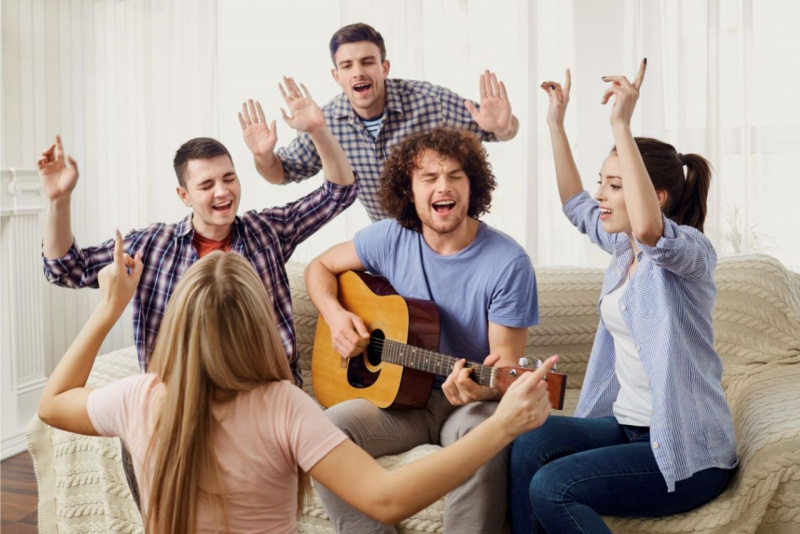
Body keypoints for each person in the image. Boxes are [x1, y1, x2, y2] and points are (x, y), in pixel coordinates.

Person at [36, 235, 557, 534]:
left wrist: (108, 310)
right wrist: (502, 426)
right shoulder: (282, 406)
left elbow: (53, 403)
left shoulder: (139, 395)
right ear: (261, 324)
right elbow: (387, 499)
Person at [508, 61, 738, 534]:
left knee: (552, 485)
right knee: (528, 436)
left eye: (615, 186)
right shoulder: (621, 247)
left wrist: (621, 124)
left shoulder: (688, 251)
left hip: (688, 450)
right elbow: (575, 204)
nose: (601, 195)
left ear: (656, 196)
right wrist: (556, 123)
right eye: (603, 181)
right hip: (629, 428)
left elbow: (652, 230)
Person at [39, 78, 356, 385]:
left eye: (229, 178)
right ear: (184, 196)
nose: (223, 192)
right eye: (206, 185)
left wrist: (318, 130)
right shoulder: (151, 246)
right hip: (183, 399)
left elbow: (338, 194)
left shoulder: (267, 230)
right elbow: (66, 269)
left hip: (267, 393)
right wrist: (58, 200)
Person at [304, 127, 539, 533]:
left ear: (473, 186)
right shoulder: (391, 237)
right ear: (409, 190)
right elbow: (318, 267)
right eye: (428, 178)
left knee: (483, 439)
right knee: (320, 433)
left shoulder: (509, 263)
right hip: (398, 400)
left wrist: (483, 388)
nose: (442, 187)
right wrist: (336, 315)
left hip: (467, 402)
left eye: (454, 176)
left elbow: (505, 370)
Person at [240, 22, 520, 222]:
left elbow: (499, 131)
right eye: (347, 66)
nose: (358, 72)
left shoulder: (430, 102)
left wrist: (504, 127)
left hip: (446, 229)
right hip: (389, 241)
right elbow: (282, 172)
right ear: (336, 76)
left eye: (367, 62)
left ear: (384, 67)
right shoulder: (325, 123)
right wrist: (263, 157)